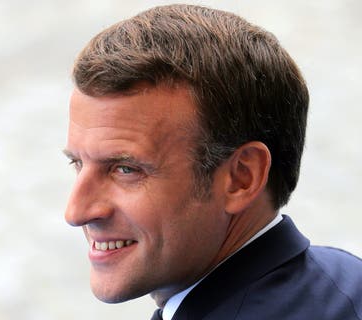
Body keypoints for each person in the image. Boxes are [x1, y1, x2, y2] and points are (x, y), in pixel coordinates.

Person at [63, 4, 362, 320]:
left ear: (241, 178)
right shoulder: (346, 281)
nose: (76, 212)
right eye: (78, 164)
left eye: (126, 169)